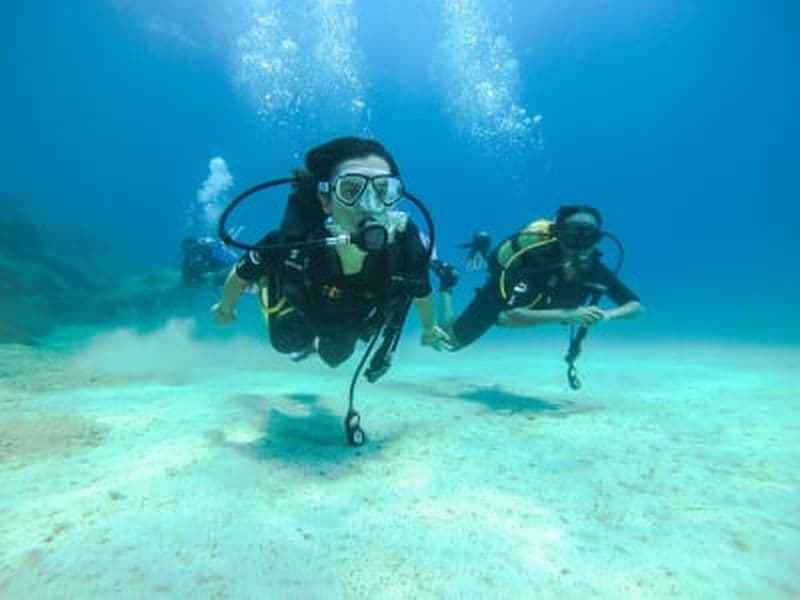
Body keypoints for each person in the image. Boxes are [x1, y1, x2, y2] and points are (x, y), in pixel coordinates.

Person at [211, 137, 451, 367]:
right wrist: (225, 308)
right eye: (351, 190)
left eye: (382, 191)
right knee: (286, 343)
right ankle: (266, 284)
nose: (369, 205)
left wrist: (429, 328)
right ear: (325, 201)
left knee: (335, 358)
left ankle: (317, 346)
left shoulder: (406, 250)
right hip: (301, 304)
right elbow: (241, 274)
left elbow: (421, 292)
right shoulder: (292, 244)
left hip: (348, 315)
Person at [433, 204, 644, 350]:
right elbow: (507, 318)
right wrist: (567, 314)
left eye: (588, 237)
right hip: (499, 298)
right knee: (449, 341)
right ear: (558, 235)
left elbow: (637, 307)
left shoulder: (596, 270)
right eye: (571, 236)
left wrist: (607, 315)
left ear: (597, 240)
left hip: (538, 306)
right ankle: (448, 281)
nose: (580, 246)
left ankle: (483, 249)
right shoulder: (536, 262)